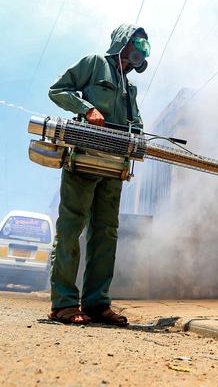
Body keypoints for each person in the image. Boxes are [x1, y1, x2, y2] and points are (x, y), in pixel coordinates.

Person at [47, 24, 149, 325]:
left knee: (106, 233)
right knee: (71, 227)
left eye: (143, 49)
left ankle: (96, 304)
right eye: (136, 44)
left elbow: (137, 123)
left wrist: (138, 135)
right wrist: (86, 107)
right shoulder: (94, 64)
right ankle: (63, 304)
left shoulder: (130, 89)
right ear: (123, 42)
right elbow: (57, 90)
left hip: (113, 166)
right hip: (83, 159)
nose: (140, 52)